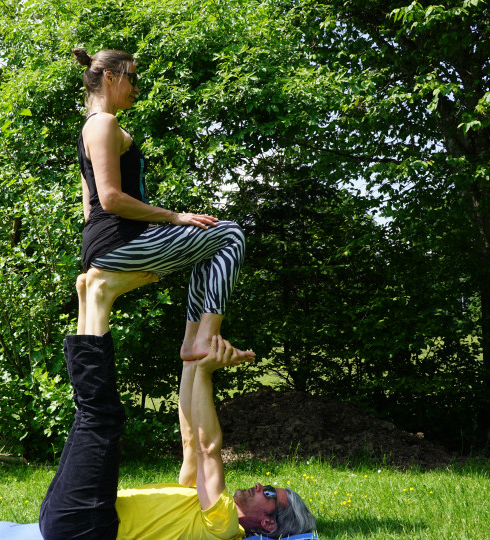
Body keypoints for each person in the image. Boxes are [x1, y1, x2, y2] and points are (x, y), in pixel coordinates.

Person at [39, 332, 317, 539]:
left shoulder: (226, 524)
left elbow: (208, 449)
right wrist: (191, 364)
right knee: (93, 413)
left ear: (268, 523)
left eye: (268, 493)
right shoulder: (200, 505)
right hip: (72, 518)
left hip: (85, 526)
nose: (259, 485)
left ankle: (96, 299)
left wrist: (206, 372)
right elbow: (191, 441)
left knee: (100, 416)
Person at [72, 47, 254, 362]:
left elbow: (90, 208)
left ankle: (191, 344)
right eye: (133, 79)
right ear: (111, 77)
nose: (137, 88)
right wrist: (174, 217)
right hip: (121, 240)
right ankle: (205, 338)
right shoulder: (104, 124)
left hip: (102, 243)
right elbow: (110, 198)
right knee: (230, 234)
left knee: (206, 248)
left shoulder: (88, 129)